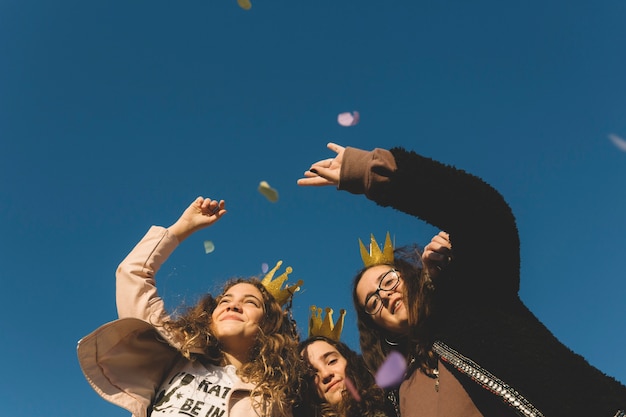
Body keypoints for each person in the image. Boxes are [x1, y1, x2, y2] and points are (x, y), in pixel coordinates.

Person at [297, 143, 626, 417]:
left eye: (388, 280)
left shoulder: (470, 299)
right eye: (372, 302)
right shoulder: (398, 399)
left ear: (411, 277)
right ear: (377, 326)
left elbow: (485, 213)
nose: (383, 295)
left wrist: (369, 171)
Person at [77, 196, 303, 417]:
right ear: (210, 315)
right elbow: (132, 274)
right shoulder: (174, 353)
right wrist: (181, 228)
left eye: (251, 302)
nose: (233, 306)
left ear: (269, 323)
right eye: (225, 300)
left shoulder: (274, 398)